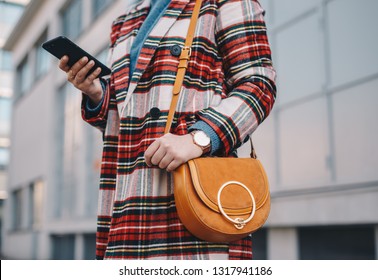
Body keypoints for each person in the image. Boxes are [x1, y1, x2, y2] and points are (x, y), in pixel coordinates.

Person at [58, 0, 276, 260]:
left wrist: (200, 138)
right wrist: (97, 94)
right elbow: (128, 116)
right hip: (127, 205)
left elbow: (258, 84)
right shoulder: (126, 20)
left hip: (192, 201)